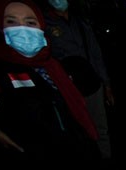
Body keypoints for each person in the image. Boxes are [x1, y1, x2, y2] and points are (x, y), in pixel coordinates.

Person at [0, 0, 100, 170]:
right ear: (0, 27)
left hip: (74, 168)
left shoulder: (52, 67)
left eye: (30, 22)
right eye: (12, 22)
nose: (22, 29)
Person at [43, 0, 114, 160]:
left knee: (100, 125)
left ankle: (106, 162)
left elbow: (95, 54)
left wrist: (106, 83)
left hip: (91, 80)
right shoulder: (45, 23)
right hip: (66, 84)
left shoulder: (81, 22)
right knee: (77, 126)